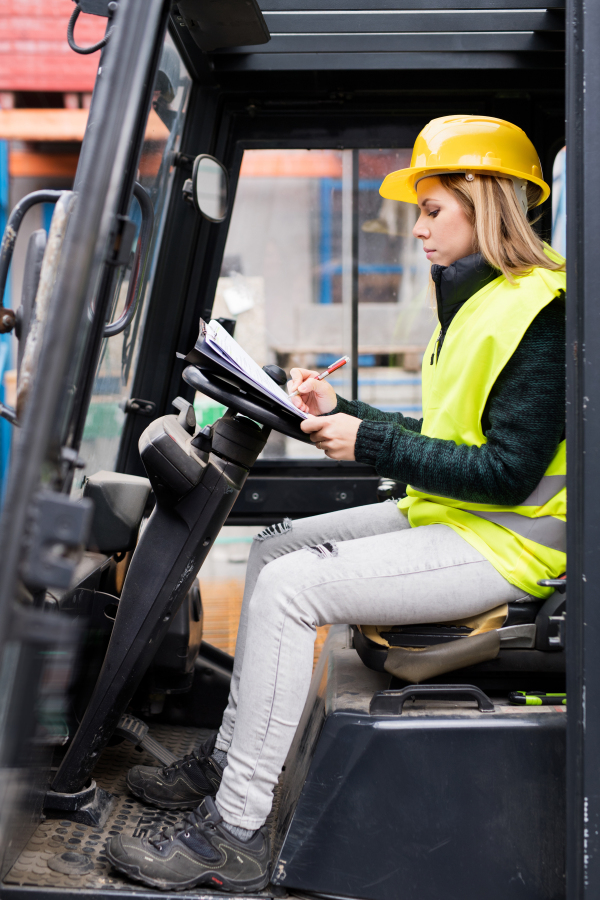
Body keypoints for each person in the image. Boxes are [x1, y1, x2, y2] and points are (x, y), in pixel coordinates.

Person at [106, 115, 566, 892]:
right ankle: (228, 762)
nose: (416, 229)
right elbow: (449, 433)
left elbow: (508, 472)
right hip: (455, 519)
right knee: (272, 550)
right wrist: (342, 408)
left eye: (433, 209)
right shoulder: (483, 301)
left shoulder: (540, 312)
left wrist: (370, 444)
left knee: (294, 591)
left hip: (509, 544)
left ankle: (236, 834)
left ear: (487, 203)